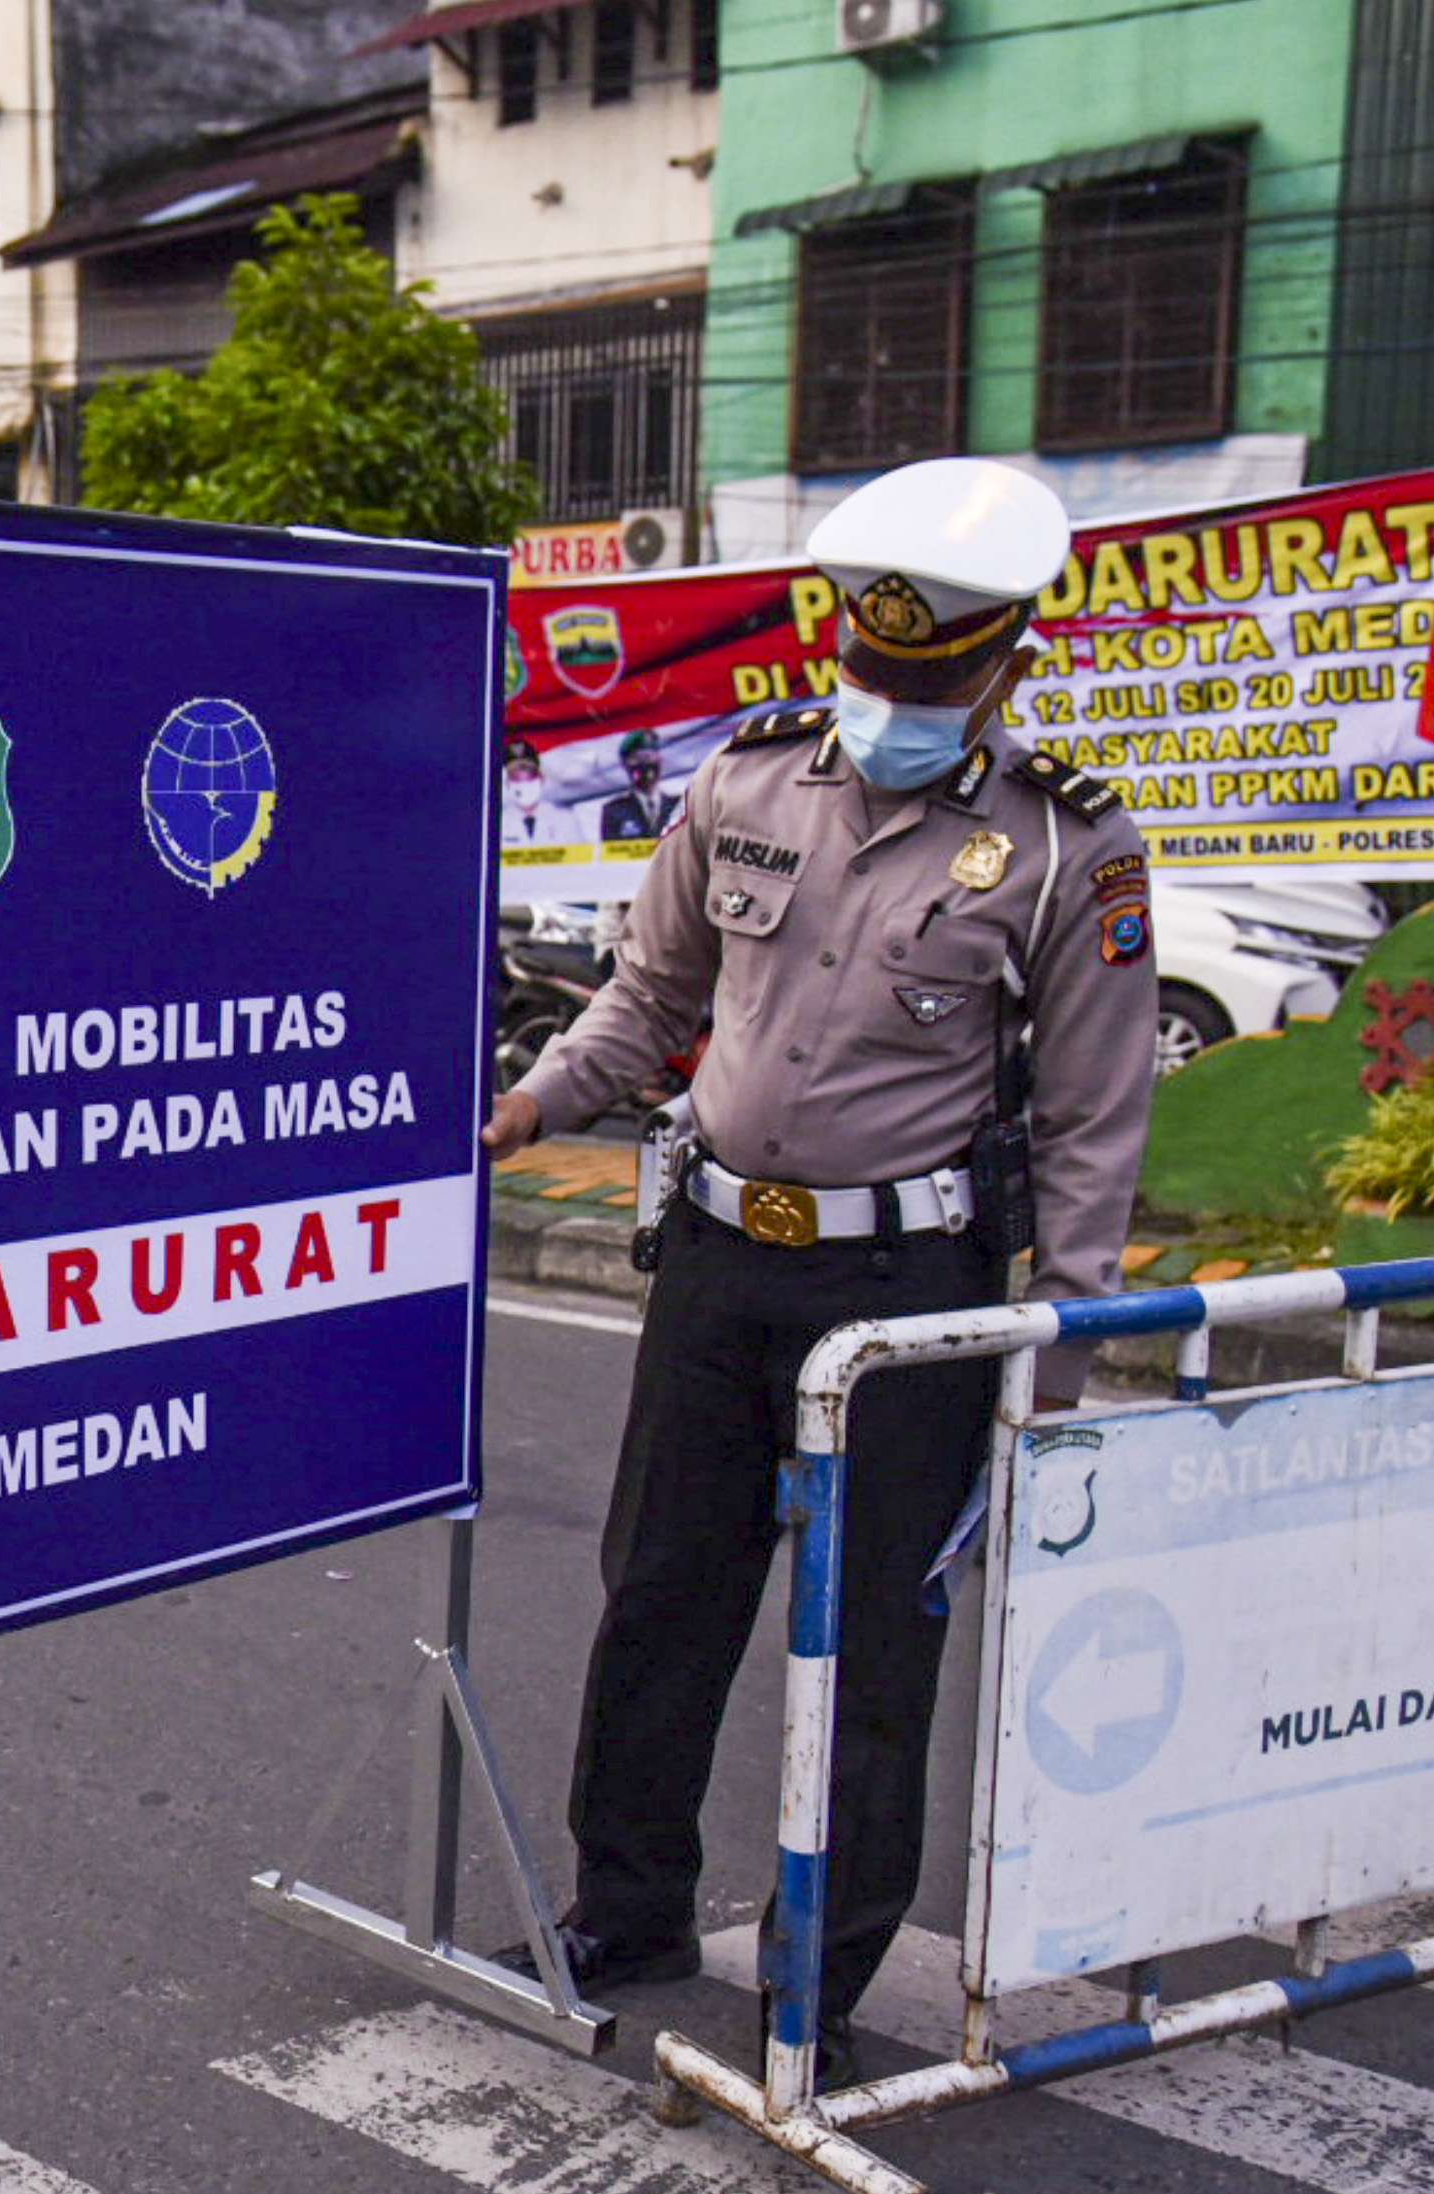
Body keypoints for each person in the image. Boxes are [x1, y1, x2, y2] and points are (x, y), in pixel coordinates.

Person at [476, 457, 1156, 2090]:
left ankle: (818, 1976)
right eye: (868, 670)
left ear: (1003, 667)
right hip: (716, 1263)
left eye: (924, 680)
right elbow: (647, 999)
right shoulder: (748, 781)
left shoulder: (1067, 847)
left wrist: (1045, 1362)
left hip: (912, 1285)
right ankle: (627, 1901)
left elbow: (1089, 1119)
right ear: (831, 648)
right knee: (657, 1595)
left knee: (866, 1647)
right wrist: (529, 1102)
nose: (887, 703)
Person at [593, 730, 677, 839]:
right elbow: (610, 852)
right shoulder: (614, 811)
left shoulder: (679, 806)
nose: (644, 764)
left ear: (660, 761)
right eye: (637, 759)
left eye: (648, 757)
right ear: (625, 765)